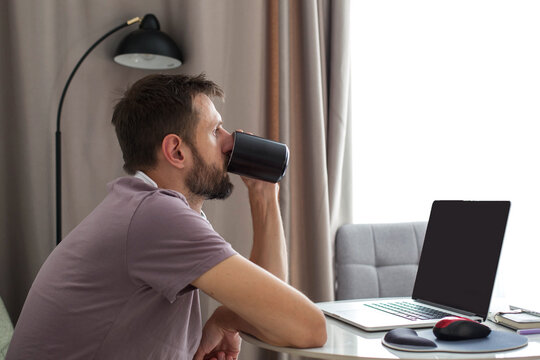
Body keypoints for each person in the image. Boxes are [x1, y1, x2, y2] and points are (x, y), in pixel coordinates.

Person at [7, 74, 326, 360]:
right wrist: (226, 318)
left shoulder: (150, 209)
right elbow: (307, 327)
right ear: (176, 151)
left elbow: (271, 307)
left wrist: (263, 195)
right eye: (215, 131)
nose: (230, 141)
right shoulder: (157, 218)